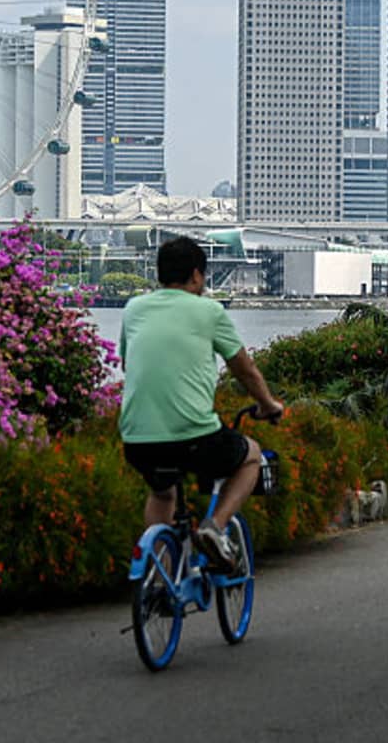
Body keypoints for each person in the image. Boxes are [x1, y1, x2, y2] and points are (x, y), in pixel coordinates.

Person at [119, 236, 285, 573]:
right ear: (196, 275)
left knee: (163, 494)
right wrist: (268, 404)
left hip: (137, 439)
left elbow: (127, 364)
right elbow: (246, 370)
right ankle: (215, 527)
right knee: (251, 456)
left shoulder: (134, 308)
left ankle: (158, 578)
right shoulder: (209, 311)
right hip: (193, 437)